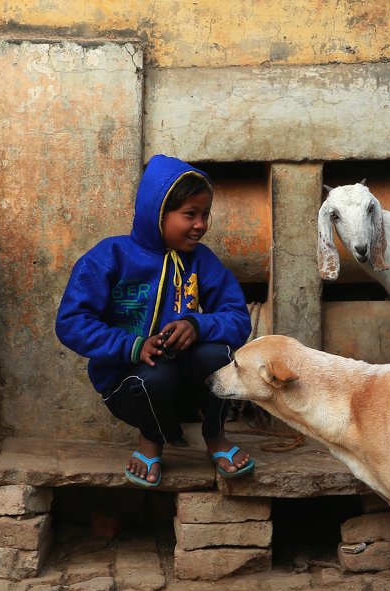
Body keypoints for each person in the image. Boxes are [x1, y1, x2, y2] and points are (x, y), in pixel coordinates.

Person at [56, 155, 254, 488]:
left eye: (205, 214)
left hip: (187, 388)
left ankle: (215, 437)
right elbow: (71, 322)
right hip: (130, 387)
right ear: (157, 213)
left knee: (217, 357)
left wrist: (197, 325)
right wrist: (132, 346)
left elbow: (237, 317)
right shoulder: (111, 256)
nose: (201, 224)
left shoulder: (201, 261)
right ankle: (150, 441)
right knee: (154, 374)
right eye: (189, 214)